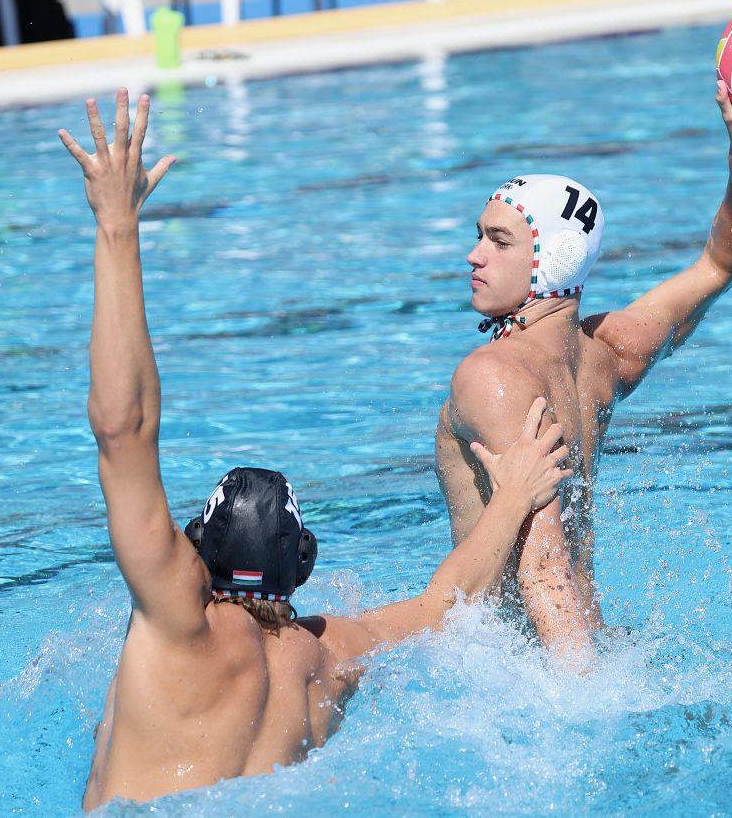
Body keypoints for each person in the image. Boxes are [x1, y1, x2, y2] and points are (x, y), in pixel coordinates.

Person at [59, 90, 572, 809]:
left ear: (195, 553)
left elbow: (123, 429)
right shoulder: (327, 656)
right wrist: (513, 498)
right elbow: (444, 603)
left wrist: (117, 225)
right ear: (301, 563)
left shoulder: (178, 622)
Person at [435, 82, 732, 654]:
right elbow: (720, 266)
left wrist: (580, 693)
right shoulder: (607, 353)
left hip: (529, 662)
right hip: (593, 639)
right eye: (480, 237)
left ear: (555, 257)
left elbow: (543, 570)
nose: (474, 255)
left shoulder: (493, 376)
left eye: (499, 241)